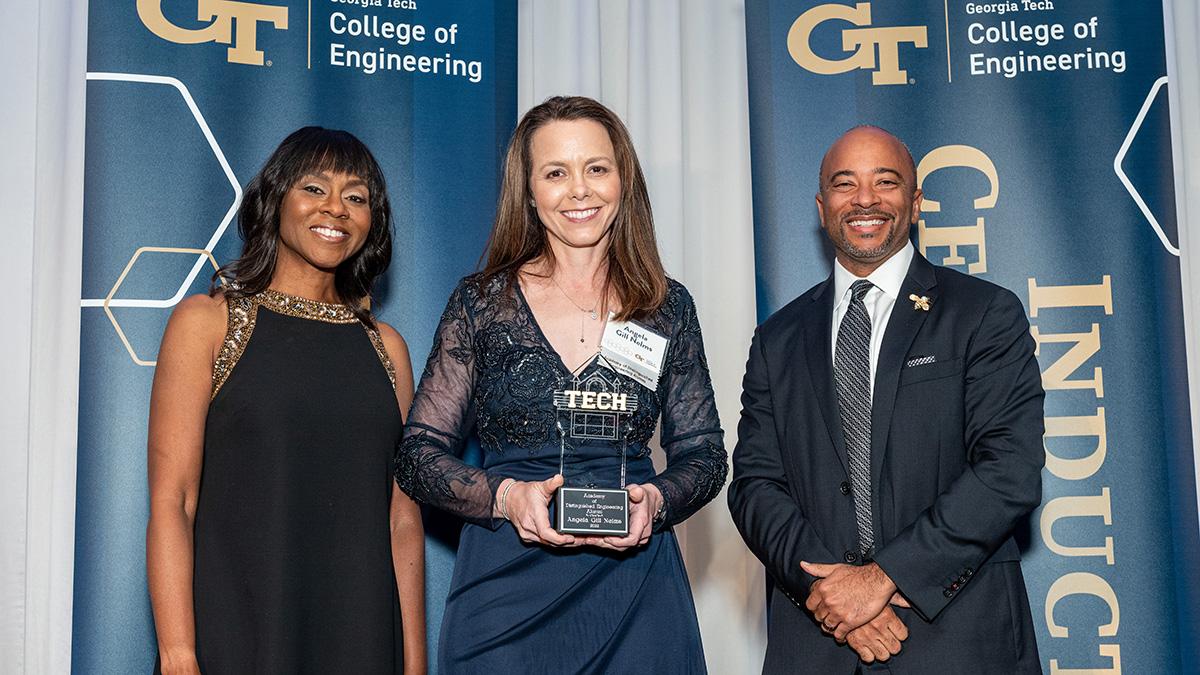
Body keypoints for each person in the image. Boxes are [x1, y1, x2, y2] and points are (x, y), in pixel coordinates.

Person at [395, 95, 726, 673]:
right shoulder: (482, 304)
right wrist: (504, 496)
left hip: (636, 589)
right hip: (505, 588)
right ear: (528, 192)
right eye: (555, 172)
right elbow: (417, 456)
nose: (579, 190)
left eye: (596, 168)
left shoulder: (666, 307)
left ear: (624, 181)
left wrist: (659, 500)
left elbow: (704, 455)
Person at [727, 125, 1044, 674]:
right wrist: (830, 593)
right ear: (822, 205)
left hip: (957, 641)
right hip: (816, 642)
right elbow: (755, 485)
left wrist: (882, 577)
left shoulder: (984, 314)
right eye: (845, 184)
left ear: (915, 202)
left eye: (886, 182)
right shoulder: (777, 338)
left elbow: (1008, 471)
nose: (865, 199)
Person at [146, 127, 426, 674]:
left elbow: (403, 522)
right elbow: (173, 501)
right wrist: (178, 654)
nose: (336, 208)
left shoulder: (387, 347)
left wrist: (414, 665)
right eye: (314, 188)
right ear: (275, 200)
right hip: (239, 633)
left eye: (356, 197)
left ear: (373, 222)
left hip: (360, 636)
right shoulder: (209, 322)